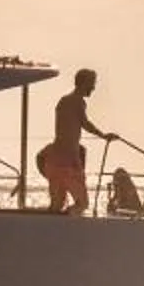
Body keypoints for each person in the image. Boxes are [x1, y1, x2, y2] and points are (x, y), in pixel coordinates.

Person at [36, 68, 118, 214]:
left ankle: (54, 230)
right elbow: (85, 123)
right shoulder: (77, 102)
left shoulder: (64, 101)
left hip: (53, 160)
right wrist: (104, 135)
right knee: (82, 204)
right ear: (83, 83)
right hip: (68, 163)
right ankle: (68, 223)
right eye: (92, 84)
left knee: (56, 205)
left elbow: (66, 128)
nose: (93, 88)